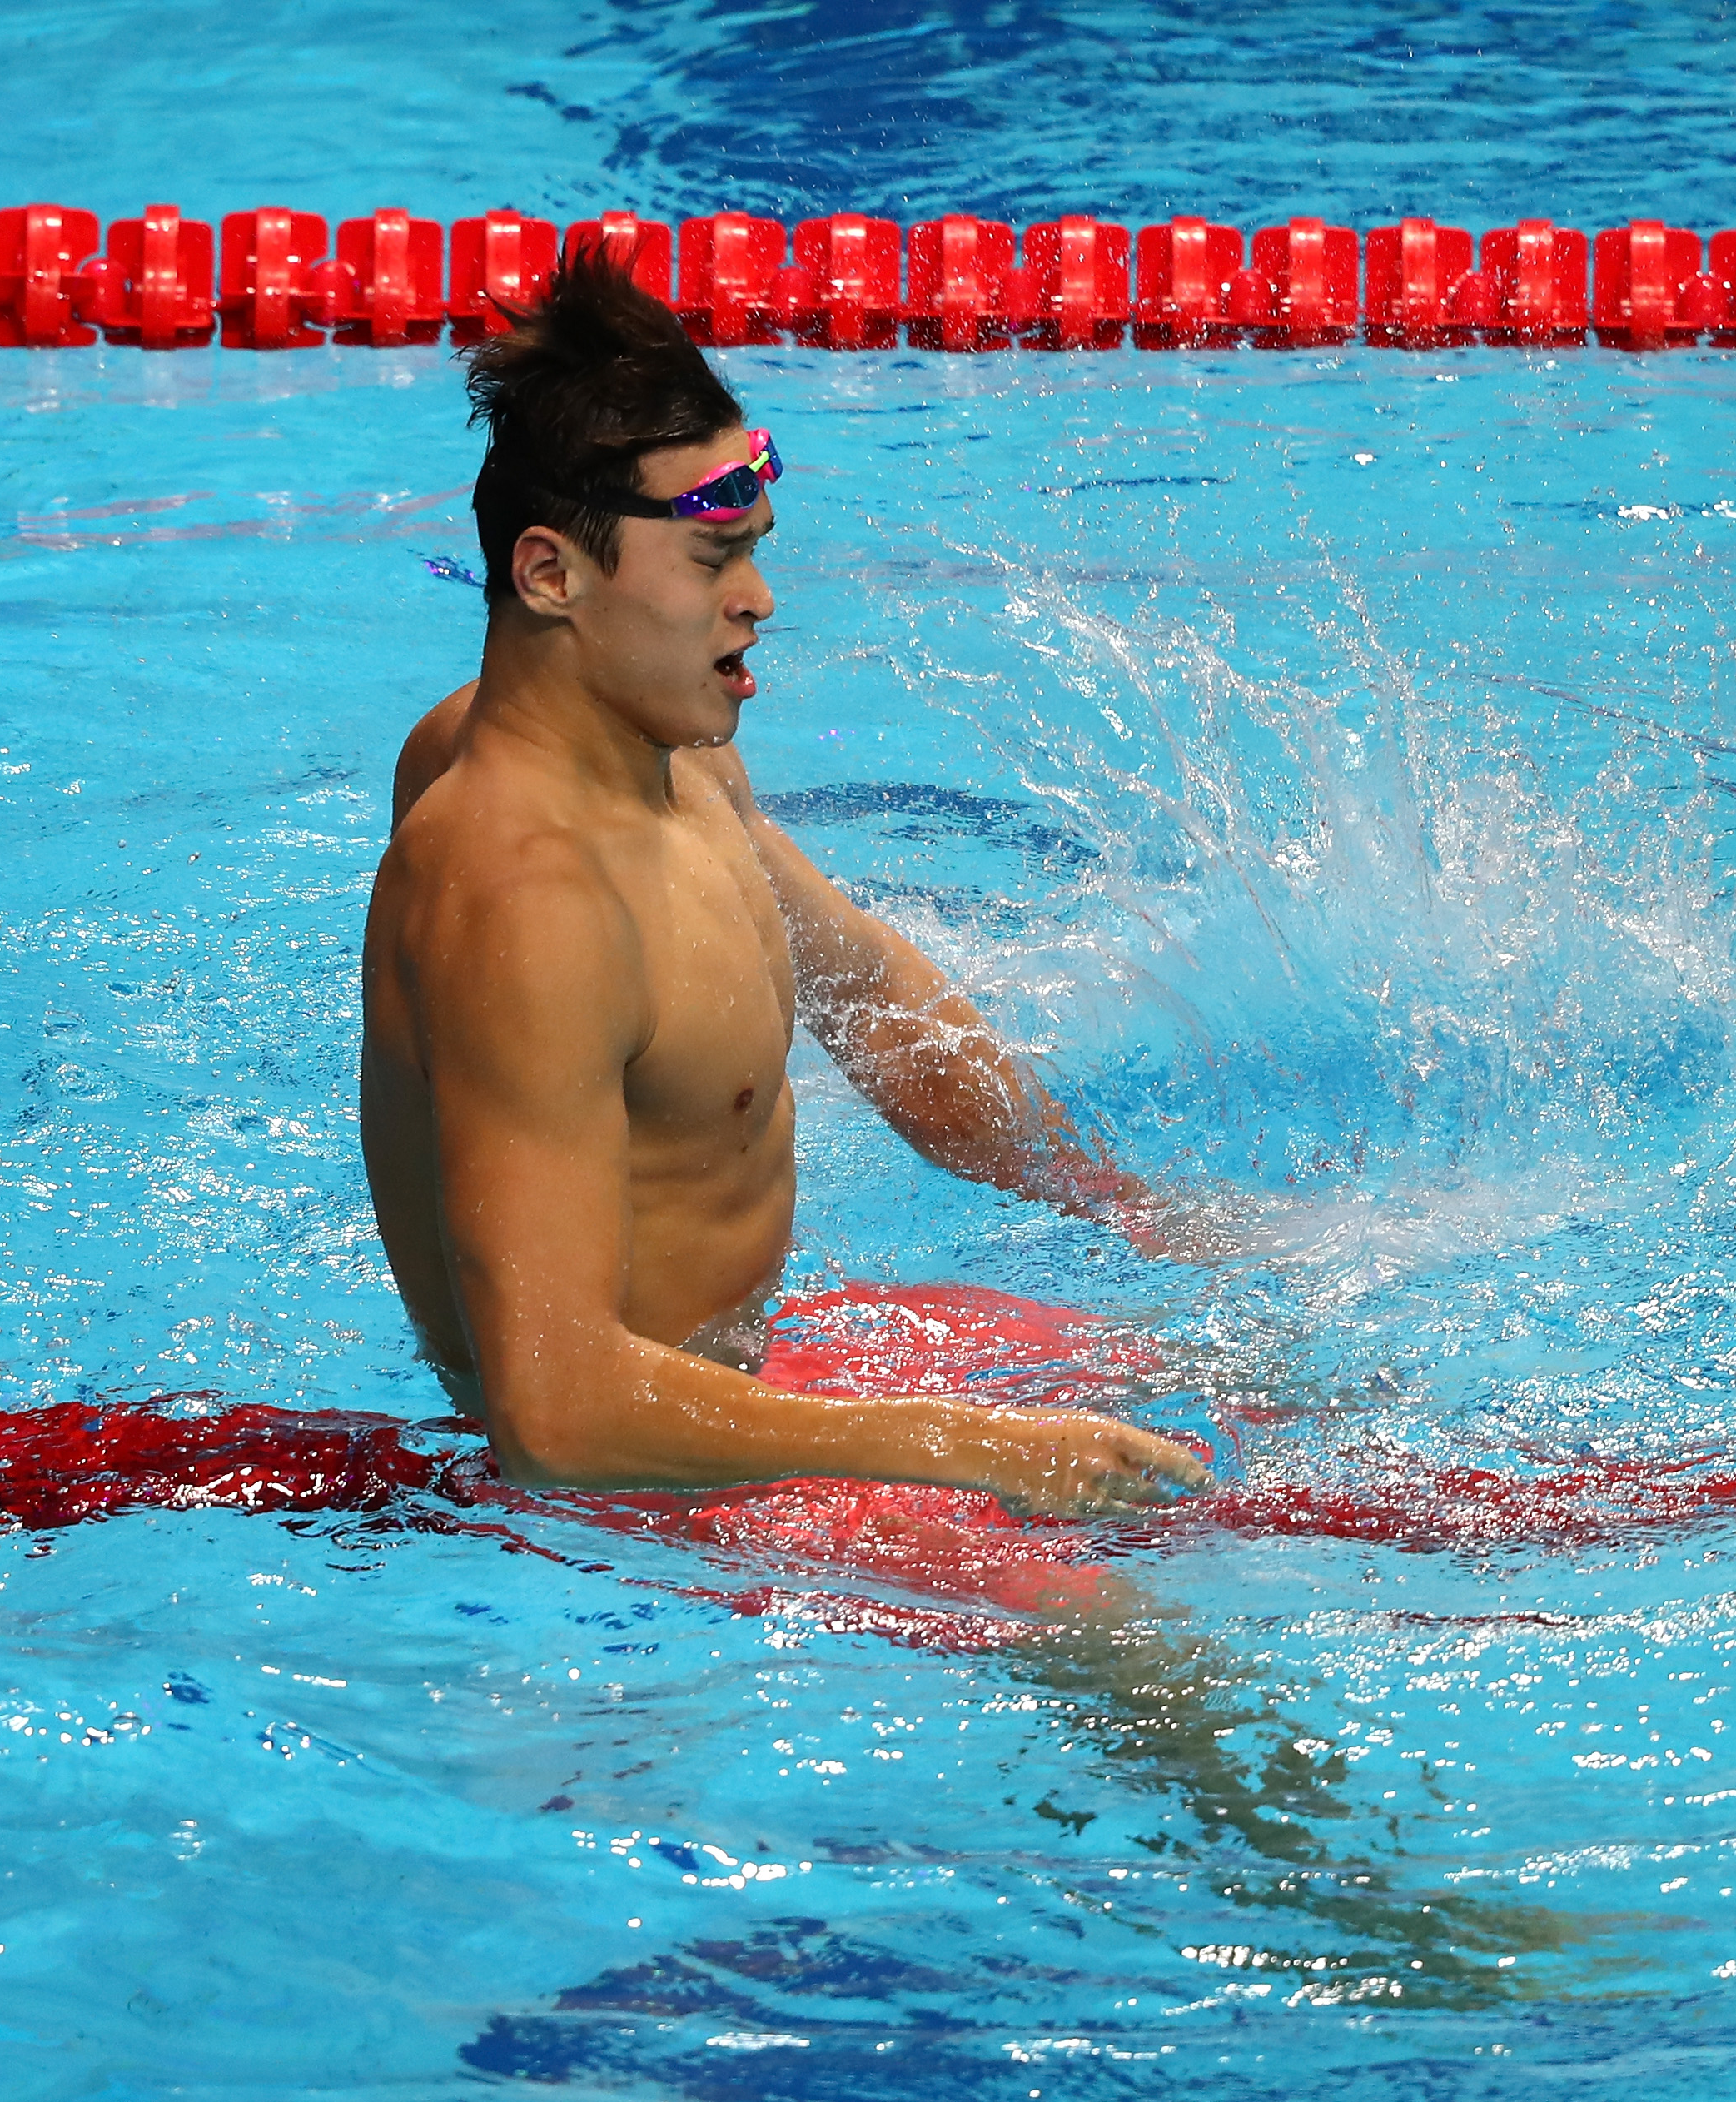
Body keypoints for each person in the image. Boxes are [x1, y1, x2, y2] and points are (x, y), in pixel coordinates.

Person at [357, 251, 1211, 1516]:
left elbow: (869, 996)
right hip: (645, 1494)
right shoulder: (524, 901)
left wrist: (1117, 1203)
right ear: (550, 575)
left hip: (748, 1394)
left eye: (753, 552)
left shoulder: (663, 752)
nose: (759, 600)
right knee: (1181, 1626)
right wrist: (982, 1448)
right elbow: (556, 1416)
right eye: (712, 562)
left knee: (1274, 1378)